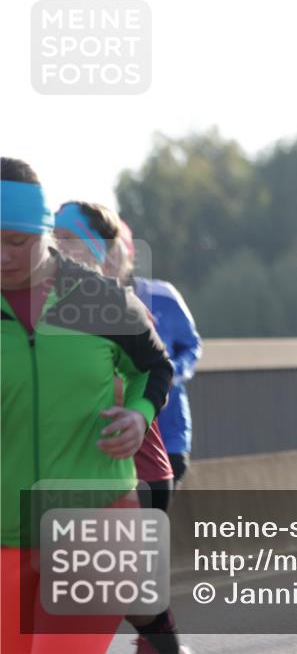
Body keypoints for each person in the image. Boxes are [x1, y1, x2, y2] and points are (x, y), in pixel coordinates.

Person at [1, 157, 173, 654]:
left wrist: (140, 415)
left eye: (17, 241)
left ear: (44, 233)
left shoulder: (95, 297)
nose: (4, 256)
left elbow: (154, 367)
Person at [54, 205, 192, 654]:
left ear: (98, 251)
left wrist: (134, 411)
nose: (55, 247)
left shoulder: (114, 310)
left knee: (101, 592)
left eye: (67, 237)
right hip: (83, 474)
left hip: (139, 474)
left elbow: (152, 370)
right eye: (51, 235)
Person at [114, 219, 203, 486]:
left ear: (128, 254)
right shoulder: (78, 305)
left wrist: (170, 375)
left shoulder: (163, 294)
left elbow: (192, 344)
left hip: (169, 435)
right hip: (115, 441)